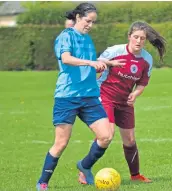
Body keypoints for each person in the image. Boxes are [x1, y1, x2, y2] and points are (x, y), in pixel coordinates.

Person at [36, 3, 125, 191]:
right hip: (67, 96)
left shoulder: (88, 39)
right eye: (87, 21)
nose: (90, 25)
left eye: (93, 22)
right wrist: (91, 63)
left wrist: (107, 63)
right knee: (60, 144)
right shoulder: (65, 36)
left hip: (90, 96)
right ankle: (43, 182)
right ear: (78, 17)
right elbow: (67, 58)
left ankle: (85, 166)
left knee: (106, 136)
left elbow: (90, 61)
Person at [95, 21, 166, 183]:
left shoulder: (146, 59)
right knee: (107, 134)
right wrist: (103, 66)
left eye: (142, 38)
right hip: (105, 96)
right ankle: (84, 169)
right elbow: (97, 64)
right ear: (129, 37)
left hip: (125, 101)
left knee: (130, 140)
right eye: (136, 37)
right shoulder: (115, 51)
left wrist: (136, 93)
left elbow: (143, 82)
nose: (139, 41)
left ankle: (135, 175)